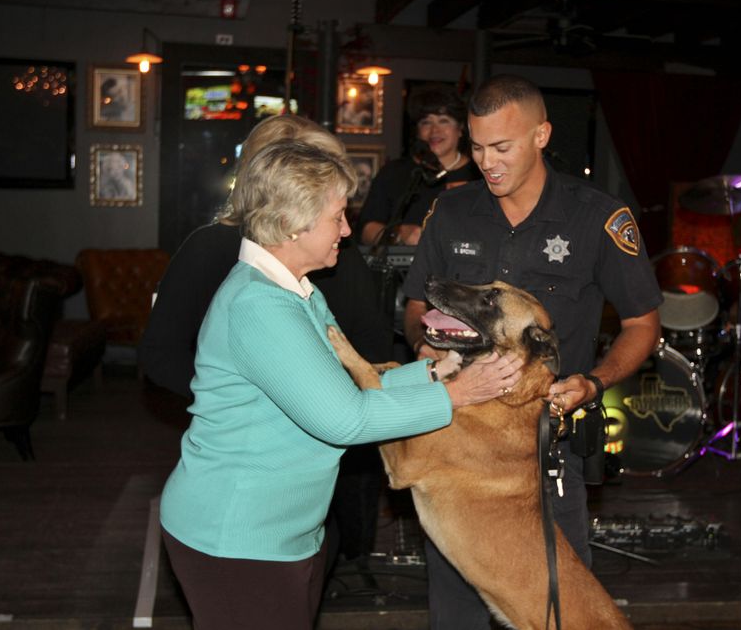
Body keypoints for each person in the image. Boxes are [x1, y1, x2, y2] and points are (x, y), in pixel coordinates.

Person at [158, 139, 524, 630]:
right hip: (237, 537)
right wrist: (456, 395)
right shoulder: (260, 307)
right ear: (293, 223)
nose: (348, 230)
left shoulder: (296, 292)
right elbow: (346, 420)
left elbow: (352, 390)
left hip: (283, 534)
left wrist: (435, 373)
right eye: (337, 217)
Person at [402, 74, 663, 629]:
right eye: (475, 147)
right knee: (455, 614)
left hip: (549, 445)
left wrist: (594, 381)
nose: (486, 161)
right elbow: (415, 304)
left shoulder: (596, 217)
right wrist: (425, 344)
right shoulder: (451, 213)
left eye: (502, 147)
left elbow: (642, 323)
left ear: (541, 135)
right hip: (459, 444)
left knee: (557, 613)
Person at [139, 114, 392, 578]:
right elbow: (161, 353)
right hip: (250, 473)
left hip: (331, 456)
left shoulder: (339, 251)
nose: (340, 222)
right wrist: (237, 403)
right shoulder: (213, 248)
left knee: (319, 559)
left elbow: (369, 345)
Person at [358, 83, 481, 246]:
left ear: (461, 129)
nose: (434, 131)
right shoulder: (394, 172)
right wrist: (399, 234)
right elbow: (365, 231)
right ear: (417, 130)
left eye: (444, 121)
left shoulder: (479, 174)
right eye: (426, 122)